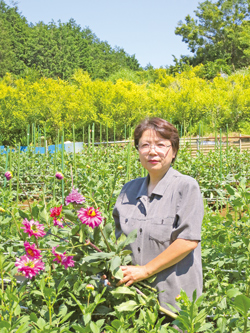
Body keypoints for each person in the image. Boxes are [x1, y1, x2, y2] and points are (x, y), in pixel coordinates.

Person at [113, 117, 203, 314]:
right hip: (135, 296)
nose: (152, 151)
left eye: (161, 145)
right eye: (145, 145)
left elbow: (188, 240)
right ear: (138, 150)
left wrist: (145, 271)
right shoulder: (129, 189)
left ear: (174, 151)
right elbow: (117, 241)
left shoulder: (186, 187)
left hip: (174, 301)